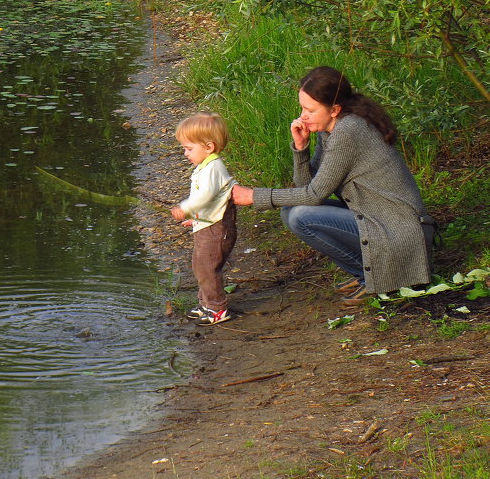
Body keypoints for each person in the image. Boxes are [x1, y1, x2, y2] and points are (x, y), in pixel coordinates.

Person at [232, 66, 435, 306]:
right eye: (302, 108)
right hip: (377, 218)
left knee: (300, 216)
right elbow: (308, 186)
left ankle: (371, 278)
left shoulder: (349, 131)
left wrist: (255, 196)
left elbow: (314, 195)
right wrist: (300, 148)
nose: (302, 116)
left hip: (399, 229)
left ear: (335, 109)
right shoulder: (331, 130)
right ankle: (369, 274)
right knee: (291, 212)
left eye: (310, 109)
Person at [171, 112, 237, 325]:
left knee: (209, 267)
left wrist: (186, 208)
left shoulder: (214, 167)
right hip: (208, 224)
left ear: (208, 147)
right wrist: (197, 218)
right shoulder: (205, 166)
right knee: (199, 266)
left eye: (189, 148)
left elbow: (206, 196)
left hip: (217, 229)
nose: (185, 153)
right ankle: (205, 304)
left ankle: (217, 308)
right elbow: (211, 202)